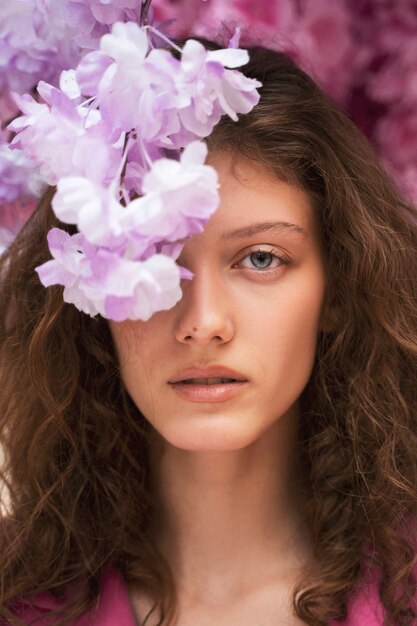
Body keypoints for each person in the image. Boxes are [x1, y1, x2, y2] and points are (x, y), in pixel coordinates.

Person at [1, 40, 417, 626]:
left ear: (338, 290)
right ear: (90, 298)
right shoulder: (15, 598)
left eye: (262, 259)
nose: (202, 323)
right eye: (155, 258)